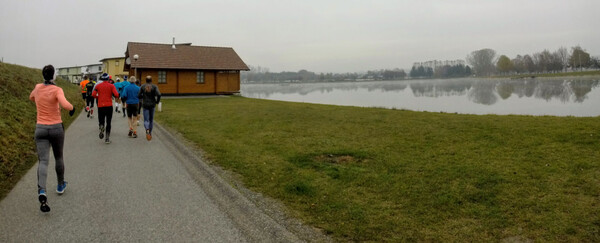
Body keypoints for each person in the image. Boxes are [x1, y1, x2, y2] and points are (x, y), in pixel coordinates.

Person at [29, 65, 75, 213]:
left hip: (40, 128)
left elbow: (31, 97)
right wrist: (72, 108)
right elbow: (65, 104)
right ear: (54, 76)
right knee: (58, 157)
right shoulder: (57, 89)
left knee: (43, 161)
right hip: (56, 128)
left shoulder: (37, 88)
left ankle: (42, 190)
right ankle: (60, 185)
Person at [92, 73, 119, 144]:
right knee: (109, 122)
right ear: (108, 79)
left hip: (101, 105)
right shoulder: (111, 85)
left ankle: (101, 126)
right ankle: (107, 138)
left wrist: (99, 97)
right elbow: (116, 94)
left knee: (101, 119)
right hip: (109, 105)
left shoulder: (98, 86)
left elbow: (93, 94)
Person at [138, 75, 161, 141]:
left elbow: (139, 95)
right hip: (152, 104)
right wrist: (157, 101)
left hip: (145, 105)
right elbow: (159, 94)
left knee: (146, 120)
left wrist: (142, 97)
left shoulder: (142, 86)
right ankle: (150, 133)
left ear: (145, 80)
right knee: (151, 120)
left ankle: (147, 129)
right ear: (151, 80)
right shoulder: (154, 86)